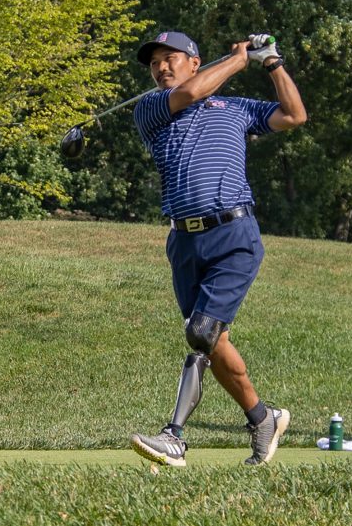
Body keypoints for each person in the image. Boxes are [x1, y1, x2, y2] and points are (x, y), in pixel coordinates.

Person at [127, 31, 307, 466]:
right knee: (210, 339)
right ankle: (264, 418)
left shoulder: (235, 108)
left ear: (195, 60)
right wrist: (239, 60)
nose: (162, 68)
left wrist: (272, 63)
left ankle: (174, 437)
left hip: (233, 235)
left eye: (171, 59)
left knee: (200, 332)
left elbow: (294, 115)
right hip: (184, 242)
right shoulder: (152, 109)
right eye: (155, 64)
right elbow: (191, 91)